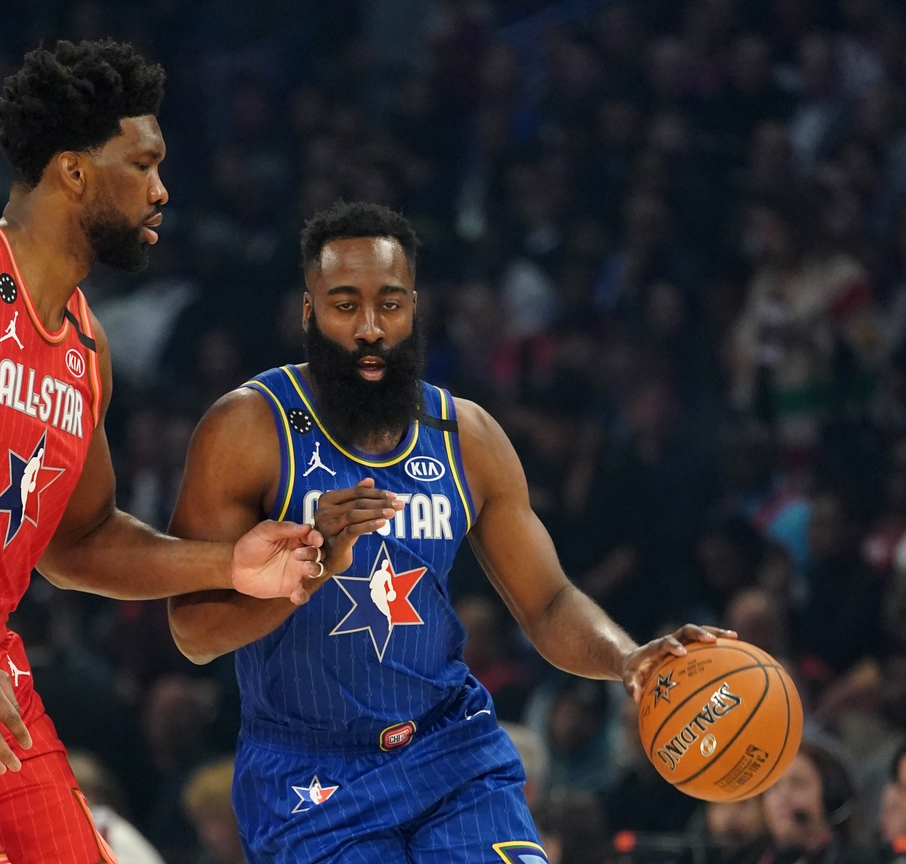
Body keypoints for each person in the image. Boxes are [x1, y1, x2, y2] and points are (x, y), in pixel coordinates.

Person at [0, 40, 329, 864]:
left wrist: (230, 564)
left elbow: (79, 543)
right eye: (144, 163)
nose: (163, 189)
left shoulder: (85, 347)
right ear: (75, 174)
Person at [167, 200, 733, 862]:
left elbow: (548, 603)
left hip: (452, 752)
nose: (371, 328)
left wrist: (628, 658)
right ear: (307, 313)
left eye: (391, 303)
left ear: (416, 309)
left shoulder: (467, 436)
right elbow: (193, 633)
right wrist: (311, 568)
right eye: (346, 305)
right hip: (311, 775)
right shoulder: (249, 429)